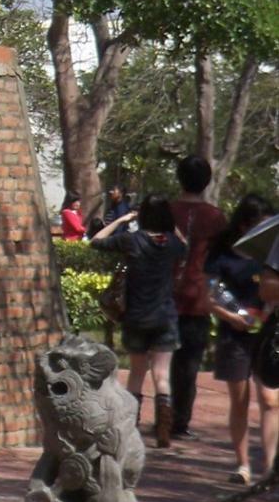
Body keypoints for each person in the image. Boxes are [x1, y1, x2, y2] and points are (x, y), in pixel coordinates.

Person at [90, 193, 187, 447]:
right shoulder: (172, 245)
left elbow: (96, 241)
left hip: (136, 317)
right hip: (165, 316)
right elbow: (185, 246)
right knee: (162, 375)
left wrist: (122, 217)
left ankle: (131, 427)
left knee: (136, 373)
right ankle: (164, 430)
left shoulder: (131, 241)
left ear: (142, 215)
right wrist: (172, 226)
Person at [207, 193, 278, 485]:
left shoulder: (270, 253)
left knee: (270, 399)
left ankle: (270, 467)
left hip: (268, 332)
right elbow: (208, 294)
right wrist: (232, 317)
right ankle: (242, 464)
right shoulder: (223, 254)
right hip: (234, 333)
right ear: (243, 225)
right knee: (240, 401)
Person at [169, 154, 228, 438]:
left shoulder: (166, 211)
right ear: (206, 182)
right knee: (188, 365)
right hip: (197, 297)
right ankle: (180, 422)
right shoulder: (215, 217)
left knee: (159, 361)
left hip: (163, 295)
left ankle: (160, 417)